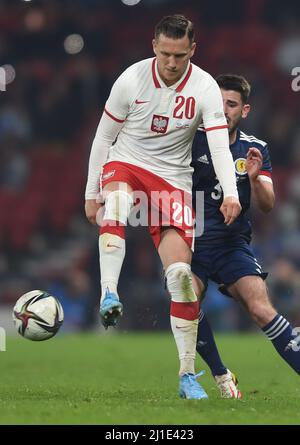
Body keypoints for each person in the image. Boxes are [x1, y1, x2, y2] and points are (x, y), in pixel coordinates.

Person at [84, 15, 241, 400]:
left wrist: (231, 191)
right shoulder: (132, 79)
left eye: (180, 55)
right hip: (129, 163)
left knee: (182, 279)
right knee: (117, 200)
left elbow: (220, 145)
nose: (171, 63)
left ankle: (187, 375)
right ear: (154, 46)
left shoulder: (203, 86)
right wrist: (92, 192)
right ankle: (109, 293)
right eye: (165, 53)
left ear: (192, 50)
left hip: (173, 181)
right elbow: (104, 137)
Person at [191, 73, 300, 398]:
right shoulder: (189, 140)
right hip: (191, 242)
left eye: (232, 104)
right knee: (186, 301)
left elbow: (267, 205)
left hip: (231, 245)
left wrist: (253, 179)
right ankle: (222, 376)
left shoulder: (255, 148)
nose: (224, 110)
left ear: (245, 110)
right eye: (218, 103)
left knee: (261, 309)